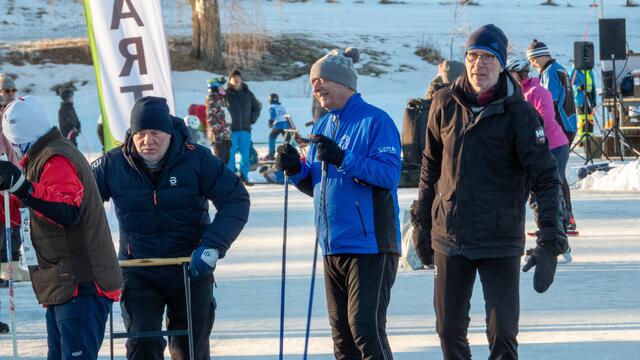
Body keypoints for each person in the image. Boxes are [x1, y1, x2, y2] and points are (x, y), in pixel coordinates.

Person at [412, 25, 568, 359]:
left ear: (501, 64)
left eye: (488, 57)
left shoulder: (521, 115)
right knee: (449, 331)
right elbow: (430, 169)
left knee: (503, 336)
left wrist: (550, 242)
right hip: (450, 238)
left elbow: (545, 179)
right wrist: (422, 222)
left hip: (499, 239)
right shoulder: (443, 103)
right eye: (473, 56)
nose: (478, 64)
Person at [91, 96, 250, 360]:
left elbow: (236, 199)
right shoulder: (113, 164)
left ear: (169, 133)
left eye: (155, 133)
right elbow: (79, 203)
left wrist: (212, 246)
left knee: (189, 351)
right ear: (131, 134)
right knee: (143, 345)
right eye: (141, 133)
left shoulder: (196, 159)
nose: (147, 141)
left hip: (190, 268)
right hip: (139, 270)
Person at [276, 47, 402, 360]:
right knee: (342, 338)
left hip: (371, 244)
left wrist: (344, 158)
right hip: (333, 244)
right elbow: (320, 184)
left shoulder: (376, 120)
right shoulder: (322, 125)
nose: (316, 86)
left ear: (346, 83)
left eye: (322, 79)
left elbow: (388, 175)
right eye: (313, 81)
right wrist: (295, 169)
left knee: (365, 330)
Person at [0, 95, 123, 358]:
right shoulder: (42, 156)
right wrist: (13, 190)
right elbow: (36, 203)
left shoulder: (55, 158)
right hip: (64, 283)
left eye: (18, 145)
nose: (18, 151)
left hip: (81, 284)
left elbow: (67, 208)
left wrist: (23, 187)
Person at [507, 58, 572, 262]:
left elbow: (545, 118)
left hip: (554, 147)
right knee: (534, 197)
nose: (507, 79)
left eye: (510, 75)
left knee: (548, 193)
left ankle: (560, 242)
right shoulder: (517, 93)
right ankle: (551, 238)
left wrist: (524, 133)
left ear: (520, 73)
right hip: (535, 148)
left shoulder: (538, 91)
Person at [527, 39, 578, 231]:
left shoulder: (549, 72)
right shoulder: (560, 68)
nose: (532, 64)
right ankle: (567, 217)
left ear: (540, 56)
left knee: (554, 174)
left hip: (561, 126)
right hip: (570, 123)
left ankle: (565, 218)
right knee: (557, 173)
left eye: (532, 60)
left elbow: (549, 102)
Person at [225, 69, 261, 186]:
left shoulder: (248, 94)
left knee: (245, 155)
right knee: (230, 155)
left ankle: (244, 177)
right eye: (233, 77)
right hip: (231, 130)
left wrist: (252, 119)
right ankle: (230, 178)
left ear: (241, 79)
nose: (236, 79)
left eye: (238, 77)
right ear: (230, 80)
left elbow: (257, 107)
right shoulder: (226, 94)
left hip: (245, 130)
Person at [569, 65, 597, 141]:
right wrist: (577, 88)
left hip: (589, 96)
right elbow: (569, 83)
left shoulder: (589, 70)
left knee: (590, 117)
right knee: (583, 117)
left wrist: (594, 100)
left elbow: (593, 85)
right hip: (580, 97)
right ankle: (581, 139)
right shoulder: (575, 70)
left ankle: (589, 138)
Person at [265, 93, 291, 160]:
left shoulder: (272, 107)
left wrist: (270, 122)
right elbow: (286, 116)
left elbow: (273, 115)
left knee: (271, 137)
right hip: (286, 125)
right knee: (287, 139)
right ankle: (290, 153)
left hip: (278, 125)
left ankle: (271, 154)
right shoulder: (282, 107)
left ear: (270, 100)